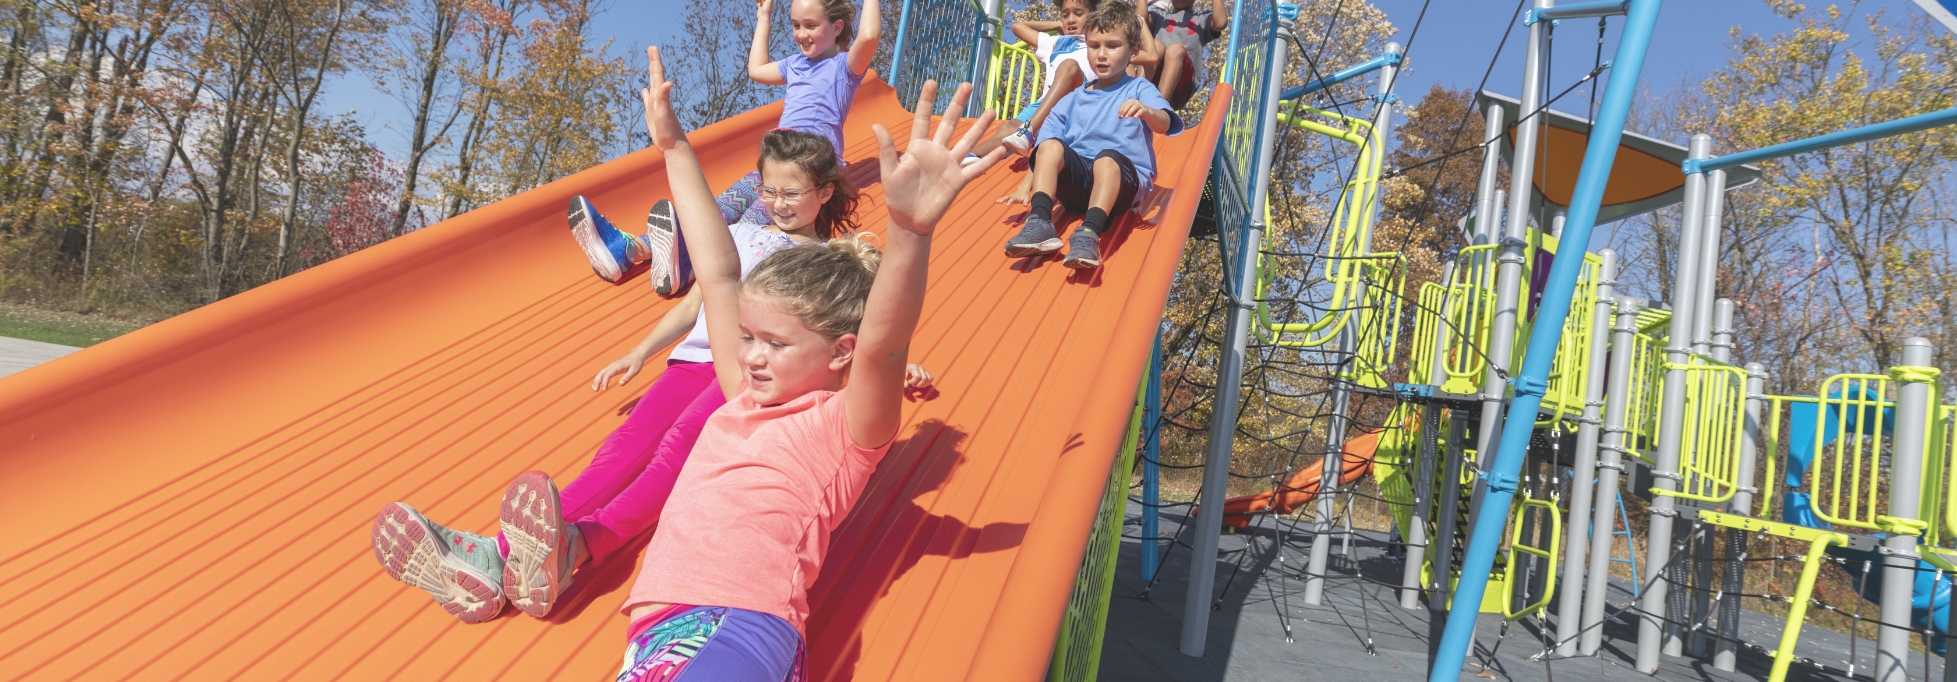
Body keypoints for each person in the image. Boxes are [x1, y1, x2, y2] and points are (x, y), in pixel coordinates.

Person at [370, 123, 936, 626]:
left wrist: (888, 365)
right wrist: (639, 351)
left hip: (737, 376)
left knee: (668, 466)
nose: (778, 203)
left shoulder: (823, 262)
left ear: (823, 193)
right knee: (619, 452)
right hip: (692, 360)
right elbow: (698, 301)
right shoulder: (739, 236)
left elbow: (866, 331)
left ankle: (571, 546)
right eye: (768, 190)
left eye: (792, 193)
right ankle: (503, 556)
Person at [589, 50, 995, 680]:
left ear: (839, 352)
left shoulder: (844, 428)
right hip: (657, 630)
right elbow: (720, 272)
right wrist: (673, 146)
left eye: (776, 344)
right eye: (749, 337)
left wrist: (911, 233)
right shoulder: (738, 398)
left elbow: (885, 345)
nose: (750, 355)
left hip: (743, 623)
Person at [567, 0, 880, 296]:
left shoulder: (844, 68)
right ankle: (632, 250)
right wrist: (764, 18)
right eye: (796, 25)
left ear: (837, 27)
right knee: (723, 205)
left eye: (810, 25)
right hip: (775, 161)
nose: (801, 34)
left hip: (808, 168)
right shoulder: (796, 65)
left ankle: (689, 264)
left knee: (755, 222)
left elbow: (868, 37)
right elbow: (756, 69)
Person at [1000, 1, 1183, 270]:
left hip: (1120, 184)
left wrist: (1147, 111)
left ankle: (1089, 234)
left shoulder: (1138, 88)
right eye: (1094, 46)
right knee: (1050, 145)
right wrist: (1027, 183)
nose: (1101, 54)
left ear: (1133, 51)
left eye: (1112, 46)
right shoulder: (1072, 99)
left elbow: (1166, 123)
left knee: (1106, 159)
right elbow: (1044, 148)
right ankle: (1040, 223)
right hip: (1076, 187)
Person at [965, 0, 1098, 162]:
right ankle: (967, 156)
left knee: (1069, 66)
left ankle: (1029, 131)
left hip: (1078, 97)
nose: (1070, 19)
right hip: (1047, 103)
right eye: (1065, 15)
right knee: (1008, 127)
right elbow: (1018, 26)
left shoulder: (1097, 41)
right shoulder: (1054, 43)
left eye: (1078, 14)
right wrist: (1056, 25)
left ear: (1092, 16)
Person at [1130, 0, 1227, 110]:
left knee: (1175, 50)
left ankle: (1159, 108)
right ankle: (1135, 95)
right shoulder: (1160, 15)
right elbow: (1139, 22)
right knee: (1157, 45)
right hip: (1154, 77)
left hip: (1180, 86)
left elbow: (1220, 23)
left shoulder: (1202, 19)